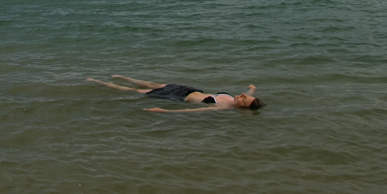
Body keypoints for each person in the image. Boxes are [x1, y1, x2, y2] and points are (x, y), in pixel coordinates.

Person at [86, 74, 265, 112]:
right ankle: (124, 77)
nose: (242, 95)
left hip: (179, 97)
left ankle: (100, 82)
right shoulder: (233, 97)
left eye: (244, 98)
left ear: (242, 107)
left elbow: (192, 111)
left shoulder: (223, 107)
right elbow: (249, 90)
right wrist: (253, 89)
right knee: (154, 83)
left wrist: (163, 111)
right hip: (187, 89)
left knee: (140, 91)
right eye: (244, 94)